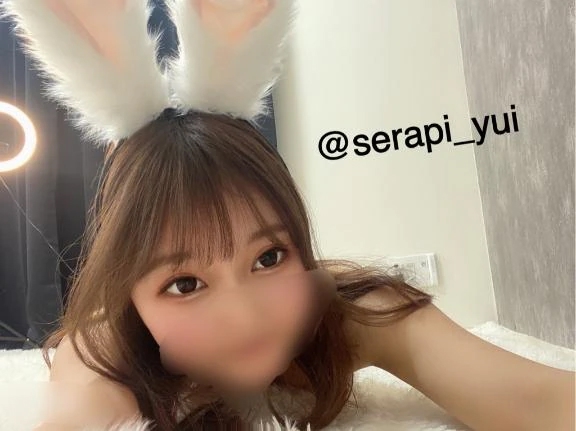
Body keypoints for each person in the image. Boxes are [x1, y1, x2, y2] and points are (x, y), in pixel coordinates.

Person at [2, 1, 574, 430]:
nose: (245, 315)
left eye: (269, 257)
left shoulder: (353, 313)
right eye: (185, 284)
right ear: (129, 293)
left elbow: (536, 398)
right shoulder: (102, 352)